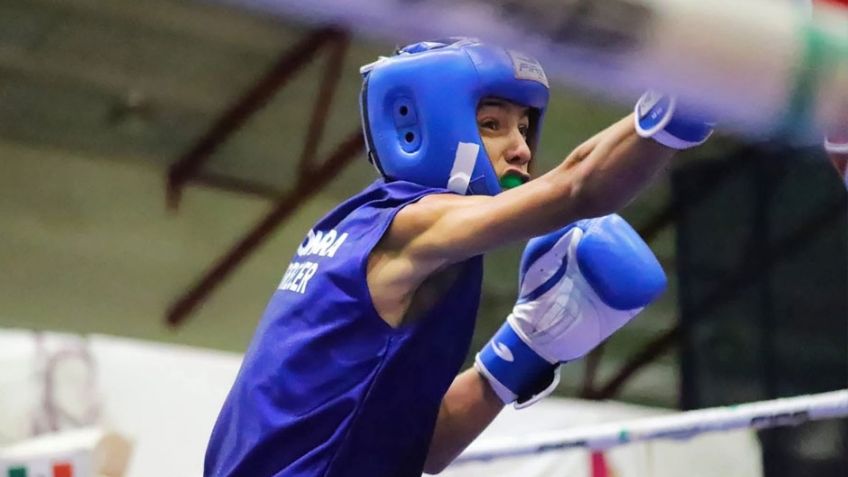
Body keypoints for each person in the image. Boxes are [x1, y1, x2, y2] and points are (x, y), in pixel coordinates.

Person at [203, 38, 713, 477]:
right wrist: (682, 106)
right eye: (492, 124)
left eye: (524, 128)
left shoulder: (364, 231)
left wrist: (525, 348)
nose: (521, 149)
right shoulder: (408, 225)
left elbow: (423, 446)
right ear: (413, 128)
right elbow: (578, 187)